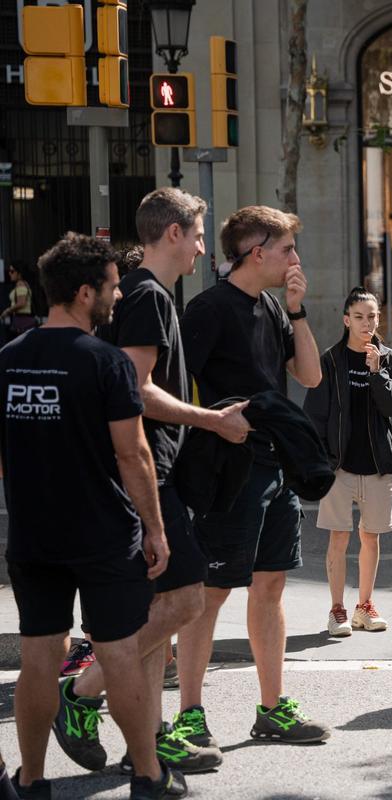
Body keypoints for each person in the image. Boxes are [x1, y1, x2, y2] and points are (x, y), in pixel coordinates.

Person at [59, 188, 253, 776]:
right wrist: (211, 420)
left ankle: (146, 738)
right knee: (187, 597)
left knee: (161, 603)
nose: (202, 246)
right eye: (197, 234)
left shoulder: (149, 294)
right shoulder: (147, 297)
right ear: (172, 233)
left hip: (149, 470)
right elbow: (136, 389)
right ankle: (83, 691)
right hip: (144, 472)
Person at [0, 232, 183, 798]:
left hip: (33, 535)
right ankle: (149, 777)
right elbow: (133, 454)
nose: (118, 297)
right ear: (84, 292)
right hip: (102, 533)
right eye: (110, 287)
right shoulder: (106, 363)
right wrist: (155, 529)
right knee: (119, 651)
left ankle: (31, 780)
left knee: (38, 656)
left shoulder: (8, 359)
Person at [176, 205, 330, 752]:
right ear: (257, 251)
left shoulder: (271, 304)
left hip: (276, 466)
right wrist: (212, 424)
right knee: (210, 593)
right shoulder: (208, 309)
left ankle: (272, 709)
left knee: (270, 584)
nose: (295, 258)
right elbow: (162, 388)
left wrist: (298, 311)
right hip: (227, 471)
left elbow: (308, 376)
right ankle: (189, 714)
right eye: (287, 249)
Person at [304, 287, 392, 637]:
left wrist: (377, 373)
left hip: (378, 462)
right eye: (360, 317)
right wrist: (320, 460)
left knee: (371, 537)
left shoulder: (387, 357)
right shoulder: (332, 360)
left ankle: (364, 607)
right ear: (346, 319)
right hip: (339, 465)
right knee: (339, 537)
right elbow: (315, 413)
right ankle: (337, 610)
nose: (367, 323)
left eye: (373, 317)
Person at [0, 261, 37, 340]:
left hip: (22, 320)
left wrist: (7, 311)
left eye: (12, 271)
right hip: (25, 320)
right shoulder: (24, 283)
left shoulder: (21, 284)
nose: (10, 273)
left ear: (19, 273)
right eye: (9, 271)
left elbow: (21, 302)